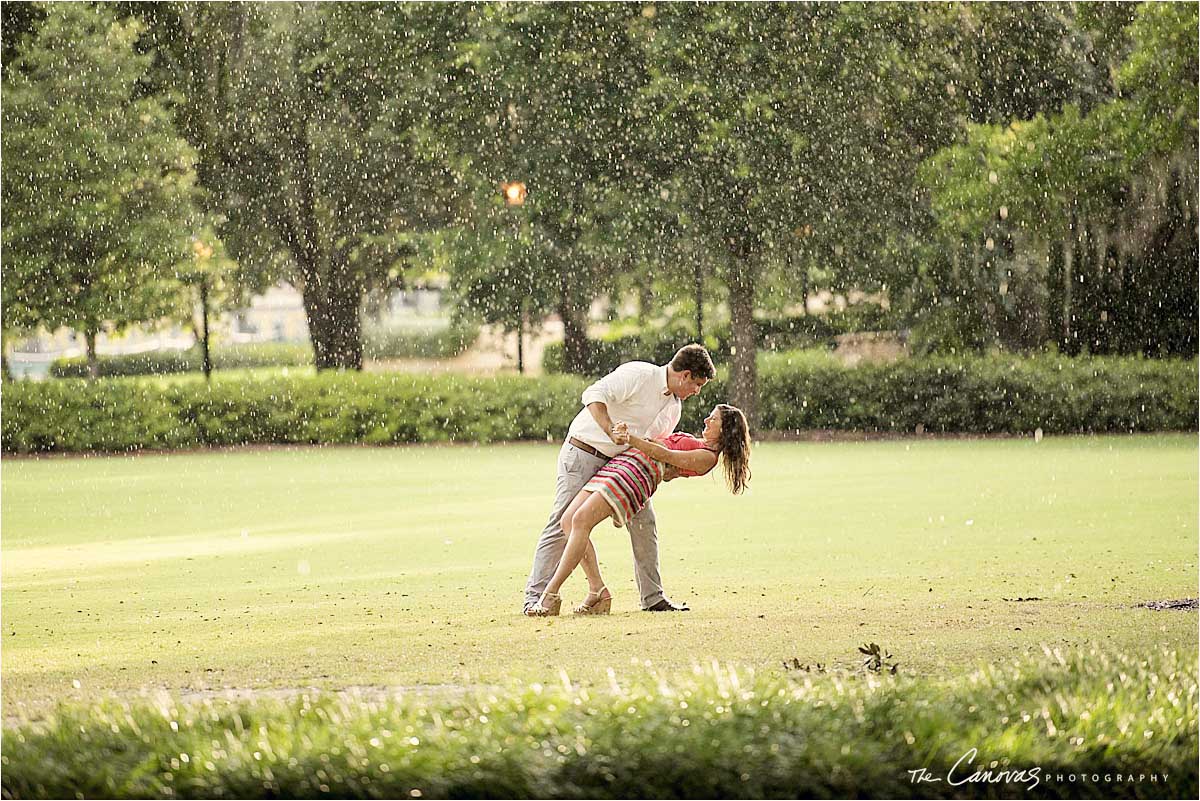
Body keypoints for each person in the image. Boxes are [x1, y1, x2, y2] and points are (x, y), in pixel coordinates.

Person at [523, 344, 716, 616]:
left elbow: (652, 447)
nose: (697, 391)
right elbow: (593, 394)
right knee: (562, 522)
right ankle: (535, 597)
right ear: (684, 375)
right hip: (584, 452)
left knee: (644, 522)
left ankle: (652, 598)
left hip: (621, 467)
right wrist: (609, 429)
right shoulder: (640, 374)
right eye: (697, 384)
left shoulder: (674, 409)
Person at [526, 404, 751, 615]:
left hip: (638, 472)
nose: (706, 420)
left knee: (581, 521)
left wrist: (630, 438)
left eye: (713, 419)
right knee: (568, 520)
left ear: (725, 430)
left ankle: (550, 594)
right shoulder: (698, 444)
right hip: (626, 462)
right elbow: (669, 459)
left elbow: (666, 456)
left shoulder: (707, 457)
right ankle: (597, 591)